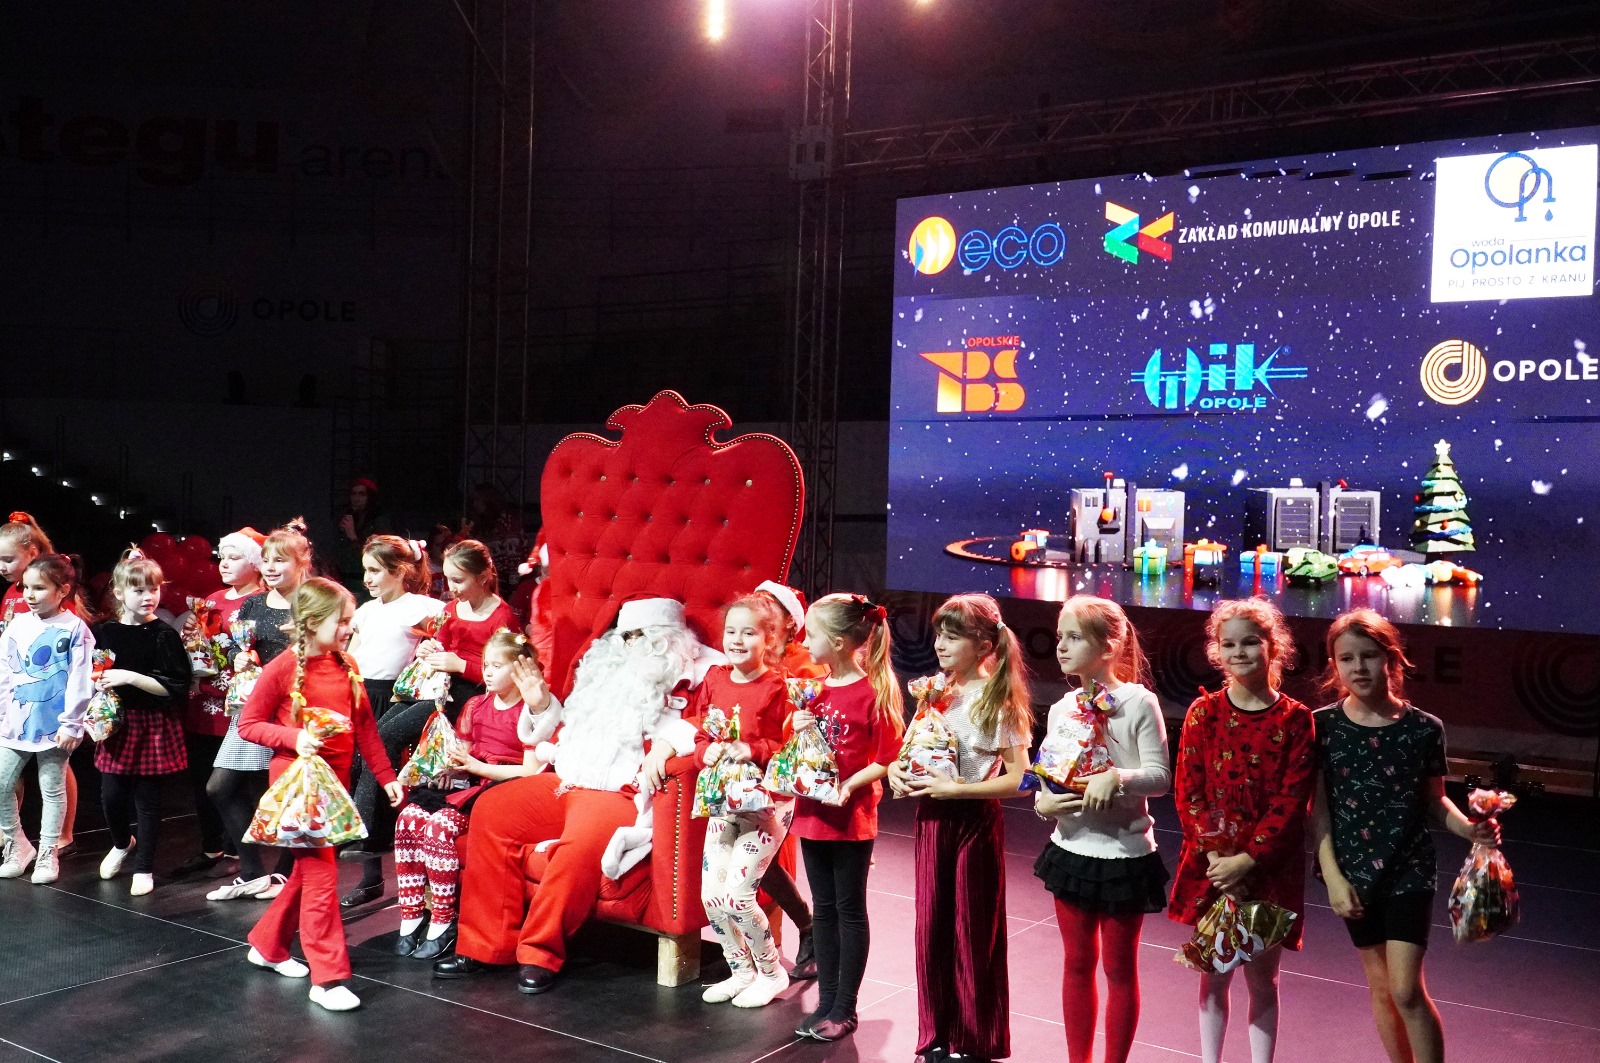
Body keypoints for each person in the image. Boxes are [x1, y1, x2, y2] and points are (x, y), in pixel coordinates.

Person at [432, 596, 713, 995]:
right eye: (624, 635)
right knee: (492, 810)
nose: (629, 644)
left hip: (619, 793)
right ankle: (485, 947)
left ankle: (539, 953)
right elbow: (564, 726)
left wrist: (670, 744)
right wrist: (541, 705)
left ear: (666, 639)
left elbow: (709, 723)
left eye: (641, 636)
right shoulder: (601, 674)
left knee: (578, 845)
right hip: (567, 780)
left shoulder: (696, 676)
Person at [1311, 609, 1499, 1063]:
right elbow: (1316, 810)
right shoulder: (1321, 726)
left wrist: (1470, 829)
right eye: (1346, 658)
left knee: (1405, 989)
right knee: (1380, 987)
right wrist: (1333, 878)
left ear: (1392, 660)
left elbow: (1435, 801)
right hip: (1352, 873)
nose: (1359, 667)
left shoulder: (1424, 728)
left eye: (1369, 656)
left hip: (1409, 870)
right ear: (1334, 665)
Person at [237, 578, 403, 1012]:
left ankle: (267, 944)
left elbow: (365, 728)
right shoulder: (282, 668)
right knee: (323, 877)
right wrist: (294, 737)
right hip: (298, 786)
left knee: (308, 873)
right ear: (311, 622)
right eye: (341, 621)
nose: (349, 628)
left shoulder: (346, 664)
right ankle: (328, 978)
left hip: (333, 787)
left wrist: (385, 775)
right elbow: (249, 724)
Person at [1168, 598, 1315, 1063]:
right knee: (1213, 974)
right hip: (1212, 867)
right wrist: (1217, 859)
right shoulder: (1203, 712)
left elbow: (1291, 800)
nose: (1239, 653)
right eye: (1228, 645)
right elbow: (1188, 790)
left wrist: (1248, 860)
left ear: (1274, 647)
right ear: (1217, 652)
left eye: (1250, 642)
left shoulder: (1295, 719)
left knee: (1263, 978)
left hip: (1267, 869)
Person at [888, 592, 1032, 1063]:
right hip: (932, 820)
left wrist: (959, 790)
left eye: (953, 637)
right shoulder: (935, 693)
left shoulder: (997, 700)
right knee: (931, 928)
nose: (940, 645)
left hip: (973, 821)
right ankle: (934, 1032)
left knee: (972, 931)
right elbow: (913, 751)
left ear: (985, 645)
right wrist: (896, 771)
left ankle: (972, 1039)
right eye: (938, 635)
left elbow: (1021, 779)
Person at [342, 538, 513, 907]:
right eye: (448, 579)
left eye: (459, 580)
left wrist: (462, 664)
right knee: (375, 738)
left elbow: (504, 670)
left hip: (466, 699)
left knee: (385, 735)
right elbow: (440, 642)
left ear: (484, 577)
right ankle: (367, 832)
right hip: (437, 690)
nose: (451, 588)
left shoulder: (502, 617)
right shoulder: (451, 609)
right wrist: (429, 649)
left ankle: (370, 834)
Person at [393, 629, 558, 961]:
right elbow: (462, 757)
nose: (488, 673)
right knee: (408, 820)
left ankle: (444, 919)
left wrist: (477, 769)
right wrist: (448, 773)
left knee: (439, 828)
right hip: (470, 783)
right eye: (486, 665)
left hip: (504, 789)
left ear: (519, 669)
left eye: (498, 666)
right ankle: (412, 913)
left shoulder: (530, 712)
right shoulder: (475, 705)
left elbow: (530, 771)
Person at [788, 593, 904, 1043]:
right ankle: (826, 1002)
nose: (804, 642)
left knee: (849, 909)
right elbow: (803, 751)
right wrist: (796, 726)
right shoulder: (814, 689)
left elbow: (888, 758)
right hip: (813, 811)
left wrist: (851, 785)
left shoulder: (874, 691)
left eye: (812, 635)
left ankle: (845, 1007)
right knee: (823, 909)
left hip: (850, 817)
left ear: (837, 642)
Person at [694, 594, 794, 1009]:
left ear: (769, 639)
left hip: (766, 805)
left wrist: (754, 749)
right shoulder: (715, 678)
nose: (736, 640)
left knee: (738, 896)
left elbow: (792, 748)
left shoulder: (778, 687)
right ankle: (741, 972)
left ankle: (771, 973)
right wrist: (707, 753)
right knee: (713, 898)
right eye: (731, 631)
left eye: (748, 632)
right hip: (723, 801)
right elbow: (701, 734)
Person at [207, 519, 311, 902]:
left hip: (293, 709)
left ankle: (285, 872)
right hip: (254, 705)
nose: (270, 567)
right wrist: (241, 658)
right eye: (266, 560)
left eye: (280, 560)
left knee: (286, 792)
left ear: (301, 562)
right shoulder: (253, 603)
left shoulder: (312, 601)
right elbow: (241, 647)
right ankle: (252, 871)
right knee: (220, 787)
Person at [92, 549, 194, 896]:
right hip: (118, 723)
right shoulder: (107, 631)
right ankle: (123, 843)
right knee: (111, 796)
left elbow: (175, 686)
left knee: (148, 801)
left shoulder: (163, 634)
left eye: (154, 589)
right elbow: (98, 667)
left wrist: (130, 677)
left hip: (152, 722)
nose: (149, 596)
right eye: (139, 590)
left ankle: (144, 866)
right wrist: (100, 681)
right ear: (120, 593)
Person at [174, 527, 265, 877]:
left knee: (235, 784)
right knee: (202, 779)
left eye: (234, 557)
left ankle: (238, 850)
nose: (224, 563)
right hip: (203, 701)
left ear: (255, 563)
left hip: (237, 704)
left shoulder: (260, 602)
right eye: (222, 557)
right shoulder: (211, 599)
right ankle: (211, 845)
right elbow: (197, 646)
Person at [0, 554, 94, 883]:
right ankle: (18, 844)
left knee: (52, 789)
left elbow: (81, 679)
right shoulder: (17, 624)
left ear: (62, 590)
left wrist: (72, 723)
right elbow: (5, 672)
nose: (30, 594)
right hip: (14, 722)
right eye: (26, 587)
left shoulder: (75, 628)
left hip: (54, 726)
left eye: (39, 588)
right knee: (1, 782)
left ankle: (48, 851)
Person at [752, 579, 820, 980]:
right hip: (751, 771)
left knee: (762, 860)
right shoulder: (753, 653)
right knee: (755, 862)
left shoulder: (805, 664)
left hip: (789, 776)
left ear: (789, 624)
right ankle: (804, 930)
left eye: (768, 611)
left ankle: (810, 930)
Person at [348, 535, 442, 720]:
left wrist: (431, 648)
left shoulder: (419, 607)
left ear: (399, 572)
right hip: (358, 691)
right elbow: (350, 657)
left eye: (374, 571)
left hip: (388, 696)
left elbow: (447, 636)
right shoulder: (366, 610)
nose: (367, 579)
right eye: (366, 570)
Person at [333, 477, 393, 595]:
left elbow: (380, 554)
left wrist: (353, 536)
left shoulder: (379, 521)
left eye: (361, 494)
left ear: (370, 497)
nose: (356, 498)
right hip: (345, 578)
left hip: (365, 581)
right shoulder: (349, 515)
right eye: (353, 494)